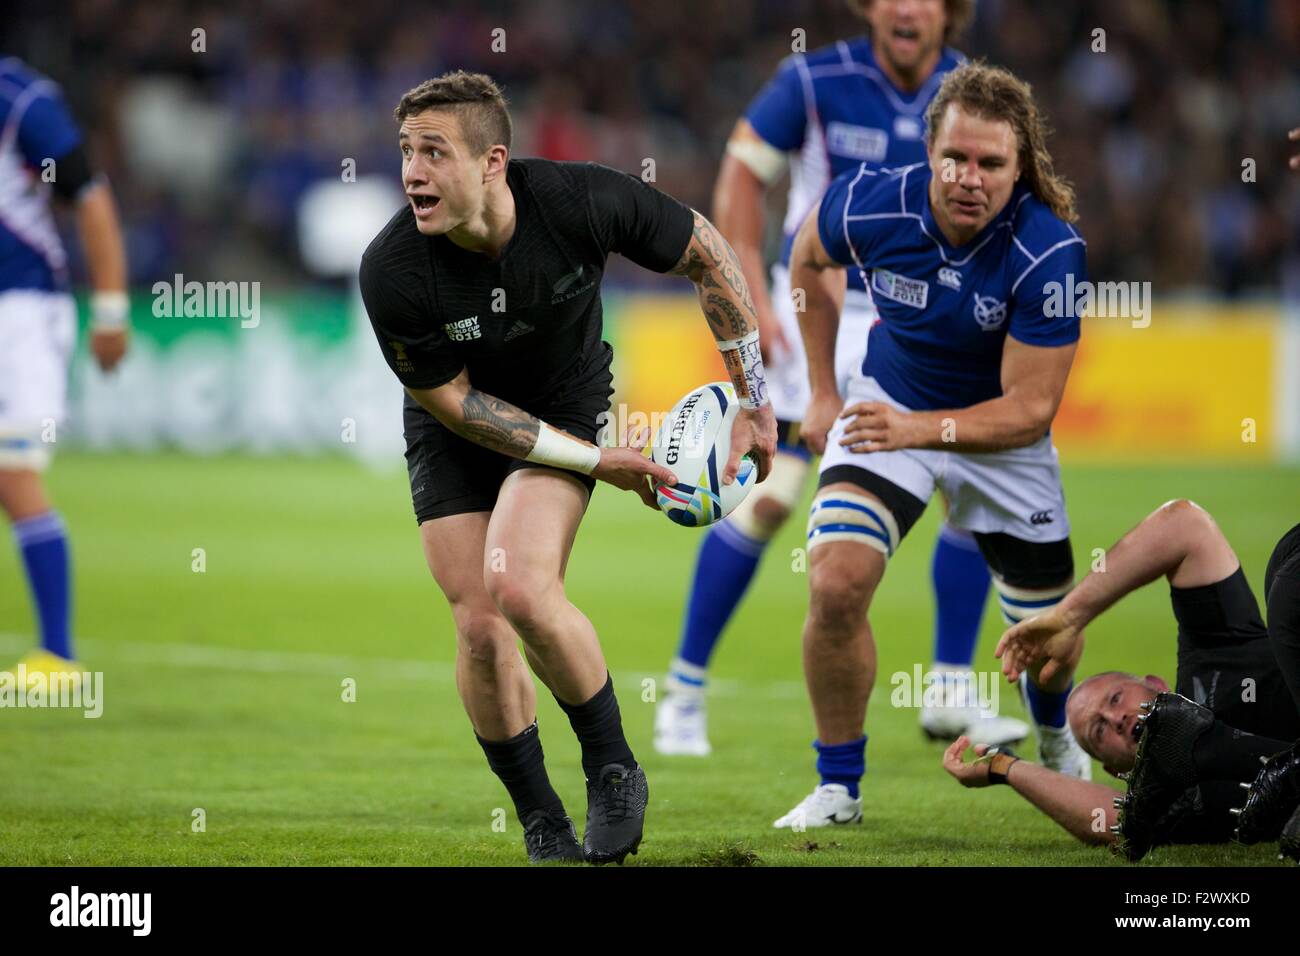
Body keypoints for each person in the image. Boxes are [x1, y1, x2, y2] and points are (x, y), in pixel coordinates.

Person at [358, 71, 776, 864]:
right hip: (457, 422)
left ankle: (612, 767)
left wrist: (754, 397)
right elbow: (456, 407)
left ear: (492, 163)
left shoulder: (580, 201)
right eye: (407, 151)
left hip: (561, 401)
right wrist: (599, 463)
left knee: (517, 584)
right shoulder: (394, 271)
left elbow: (709, 256)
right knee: (479, 627)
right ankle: (542, 820)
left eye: (434, 152)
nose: (412, 171)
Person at [656, 0, 1029, 759]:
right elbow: (742, 170)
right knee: (768, 501)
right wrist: (749, 288)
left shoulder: (973, 93)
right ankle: (683, 693)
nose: (904, 7)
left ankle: (950, 689)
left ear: (949, 12)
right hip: (820, 307)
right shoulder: (814, 78)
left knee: (972, 491)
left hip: (931, 320)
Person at [773, 60, 1091, 830]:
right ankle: (839, 788)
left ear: (1020, 169)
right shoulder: (870, 203)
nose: (969, 177)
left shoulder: (1049, 252)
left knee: (1048, 637)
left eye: (990, 163)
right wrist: (820, 389)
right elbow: (807, 259)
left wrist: (921, 432)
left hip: (1000, 442)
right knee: (836, 583)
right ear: (929, 152)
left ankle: (1053, 736)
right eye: (955, 158)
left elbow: (1031, 409)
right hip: (892, 403)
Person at [944, 499, 1300, 861]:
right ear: (1117, 770)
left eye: (1116, 699)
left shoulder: (1210, 655)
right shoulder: (1169, 799)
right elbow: (1112, 819)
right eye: (1099, 732)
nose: (1116, 720)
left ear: (1157, 684)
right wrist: (1006, 768)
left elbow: (1185, 526)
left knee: (1287, 576)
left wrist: (1069, 617)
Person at [1, 57, 129, 679]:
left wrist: (109, 309)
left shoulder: (17, 99)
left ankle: (57, 655)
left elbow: (88, 192)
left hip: (20, 312)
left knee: (13, 470)